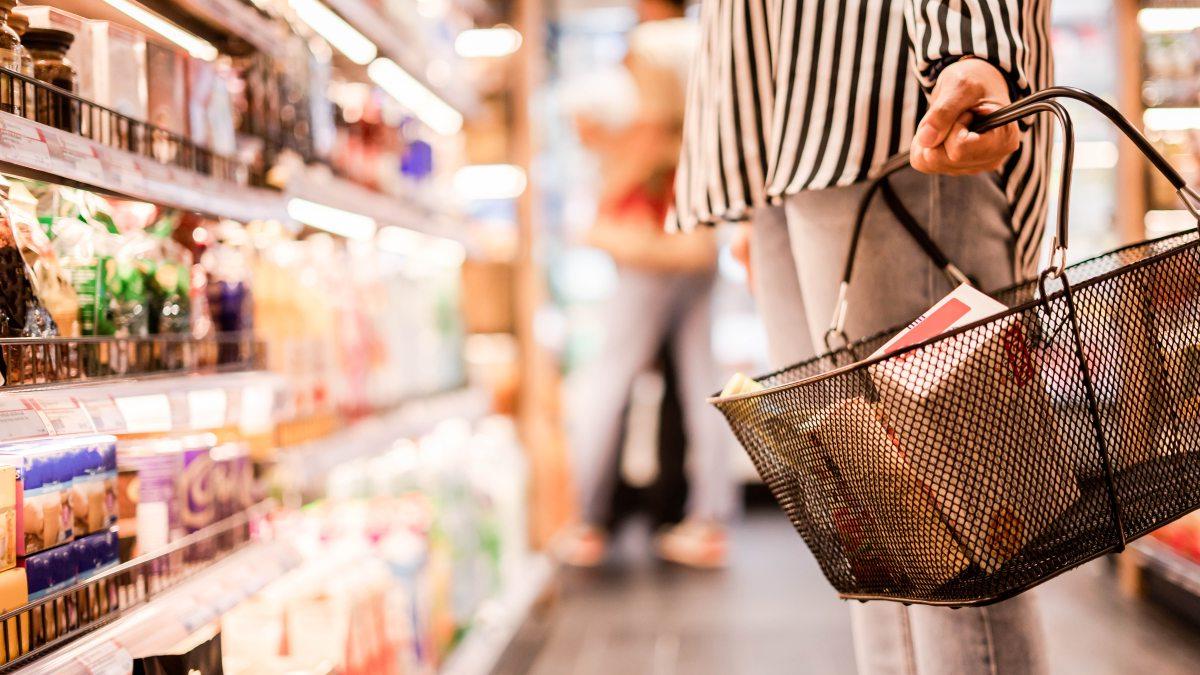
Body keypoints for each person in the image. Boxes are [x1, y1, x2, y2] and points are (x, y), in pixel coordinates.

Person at [672, 0, 1053, 673]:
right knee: (875, 554)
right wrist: (749, 173)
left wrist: (973, 47)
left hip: (894, 105)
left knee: (965, 560)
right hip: (779, 124)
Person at [556, 0, 735, 569]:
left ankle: (585, 518)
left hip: (650, 241)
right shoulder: (710, 44)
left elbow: (651, 140)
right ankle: (709, 519)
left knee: (610, 380)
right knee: (701, 382)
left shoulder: (650, 51)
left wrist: (609, 182)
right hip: (699, 236)